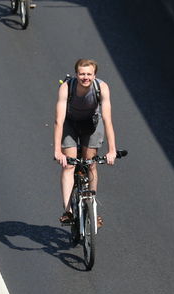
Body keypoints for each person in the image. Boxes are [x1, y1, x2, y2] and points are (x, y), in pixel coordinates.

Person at [53, 59, 117, 225]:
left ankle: (92, 207)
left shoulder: (101, 88)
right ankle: (68, 211)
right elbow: (59, 121)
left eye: (89, 74)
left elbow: (108, 120)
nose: (85, 77)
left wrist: (112, 150)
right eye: (82, 74)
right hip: (70, 124)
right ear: (76, 74)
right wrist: (58, 151)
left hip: (92, 125)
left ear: (94, 75)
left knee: (91, 164)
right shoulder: (66, 87)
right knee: (69, 165)